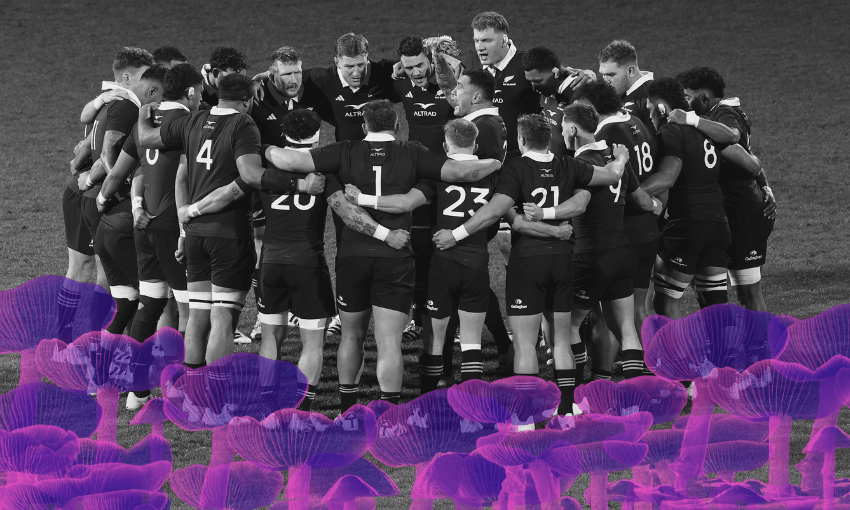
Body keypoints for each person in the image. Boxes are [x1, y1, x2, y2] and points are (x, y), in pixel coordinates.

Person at [262, 100, 502, 411]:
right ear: (397, 125)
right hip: (395, 257)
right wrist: (497, 162)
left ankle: (348, 408)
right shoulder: (413, 152)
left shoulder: (343, 150)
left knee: (351, 336)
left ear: (364, 126)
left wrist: (263, 147)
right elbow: (462, 171)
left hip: (352, 258)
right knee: (389, 342)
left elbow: (291, 161)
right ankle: (389, 411)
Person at [433, 114, 629, 415]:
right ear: (548, 138)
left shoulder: (515, 168)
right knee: (561, 340)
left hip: (528, 262)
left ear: (521, 139)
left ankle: (526, 418)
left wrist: (456, 233)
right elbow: (612, 175)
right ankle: (566, 412)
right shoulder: (570, 165)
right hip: (562, 260)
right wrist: (621, 157)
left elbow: (496, 212)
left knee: (525, 344)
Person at [137, 73, 325, 366]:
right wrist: (298, 185)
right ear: (247, 101)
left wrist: (142, 114)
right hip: (228, 234)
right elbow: (250, 175)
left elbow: (151, 142)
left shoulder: (193, 120)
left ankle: (193, 385)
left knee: (198, 315)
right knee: (223, 316)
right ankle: (215, 387)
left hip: (195, 234)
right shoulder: (243, 124)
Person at [176, 110, 334, 412]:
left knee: (270, 339)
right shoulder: (327, 167)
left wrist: (191, 211)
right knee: (313, 342)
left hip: (270, 265)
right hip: (308, 263)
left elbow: (226, 193)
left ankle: (268, 404)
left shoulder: (262, 168)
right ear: (318, 136)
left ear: (284, 134)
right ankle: (301, 409)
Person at [345, 119, 499, 391]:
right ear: (475, 145)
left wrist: (362, 199)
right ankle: (472, 408)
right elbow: (498, 214)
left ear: (445, 146)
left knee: (435, 340)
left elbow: (406, 203)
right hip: (477, 262)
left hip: (442, 263)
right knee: (472, 342)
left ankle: (428, 403)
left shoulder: (435, 174)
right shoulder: (492, 172)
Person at [527, 103, 656, 387]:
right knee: (626, 327)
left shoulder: (577, 164)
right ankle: (635, 397)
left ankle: (576, 393)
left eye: (562, 128)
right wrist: (658, 206)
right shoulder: (616, 156)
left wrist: (543, 214)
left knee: (567, 326)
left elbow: (579, 204)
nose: (561, 133)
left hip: (591, 256)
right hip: (623, 252)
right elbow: (642, 201)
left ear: (573, 129)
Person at [638, 78, 762, 319]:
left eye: (650, 108)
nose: (648, 114)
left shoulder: (670, 131)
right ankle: (719, 347)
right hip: (718, 225)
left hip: (686, 226)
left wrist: (631, 193)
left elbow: (668, 178)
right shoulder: (707, 128)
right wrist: (765, 186)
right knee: (714, 305)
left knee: (664, 301)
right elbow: (752, 164)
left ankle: (679, 347)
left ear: (661, 108)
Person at [573, 79, 660, 372]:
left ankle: (599, 379)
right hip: (646, 231)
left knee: (603, 317)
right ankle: (660, 372)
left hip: (617, 234)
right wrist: (656, 205)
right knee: (637, 312)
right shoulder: (636, 121)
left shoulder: (602, 139)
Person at [673, 66, 776, 311]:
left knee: (748, 293)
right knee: (711, 291)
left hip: (743, 213)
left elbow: (735, 140)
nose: (684, 103)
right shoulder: (714, 116)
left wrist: (691, 119)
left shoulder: (723, 114)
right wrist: (767, 187)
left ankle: (761, 338)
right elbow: (751, 158)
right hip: (726, 212)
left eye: (687, 96)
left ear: (704, 97)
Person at [121, 64, 204, 353]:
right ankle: (181, 376)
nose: (201, 98)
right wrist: (184, 232)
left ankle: (135, 378)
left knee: (151, 303)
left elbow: (138, 171)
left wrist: (136, 206)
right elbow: (183, 180)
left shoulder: (144, 119)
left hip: (144, 222)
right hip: (171, 225)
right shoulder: (188, 124)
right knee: (189, 308)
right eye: (200, 92)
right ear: (190, 91)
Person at [392, 35, 458, 342]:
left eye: (420, 65)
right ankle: (418, 318)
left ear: (429, 59)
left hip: (448, 180)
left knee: (450, 250)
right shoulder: (400, 82)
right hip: (418, 180)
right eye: (409, 67)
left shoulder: (451, 83)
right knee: (418, 251)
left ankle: (453, 323)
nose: (416, 72)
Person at [598, 40, 655, 136]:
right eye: (603, 75)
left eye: (611, 74)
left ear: (630, 71)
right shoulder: (617, 91)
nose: (606, 80)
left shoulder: (652, 96)